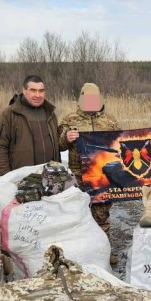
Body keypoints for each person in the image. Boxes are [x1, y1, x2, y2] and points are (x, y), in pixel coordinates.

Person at [58, 83, 121, 265]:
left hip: (103, 175)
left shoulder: (110, 121)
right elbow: (59, 144)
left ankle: (105, 253)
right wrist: (66, 138)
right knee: (80, 215)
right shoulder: (70, 120)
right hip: (79, 176)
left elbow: (119, 144)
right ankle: (83, 255)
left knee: (101, 216)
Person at [0, 75, 60, 176]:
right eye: (33, 90)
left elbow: (58, 144)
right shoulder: (9, 114)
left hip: (50, 177)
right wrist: (6, 178)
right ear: (24, 90)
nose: (38, 95)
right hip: (22, 179)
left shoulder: (50, 113)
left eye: (41, 91)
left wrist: (67, 138)